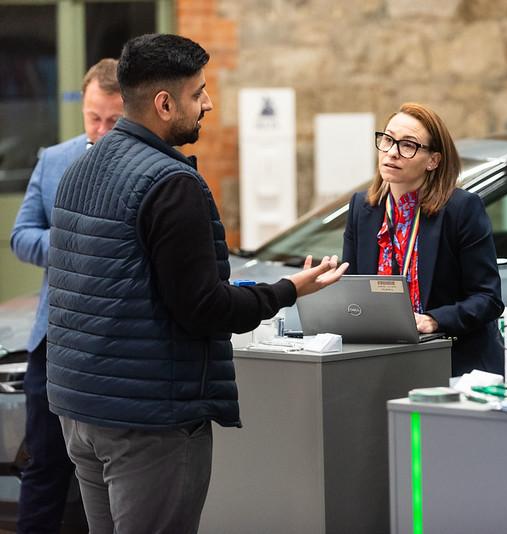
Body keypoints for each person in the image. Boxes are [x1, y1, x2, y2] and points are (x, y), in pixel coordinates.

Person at [46, 34, 347, 533]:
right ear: (164, 104)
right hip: (149, 418)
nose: (208, 104)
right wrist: (288, 290)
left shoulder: (80, 168)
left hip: (80, 411)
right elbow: (202, 306)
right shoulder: (171, 183)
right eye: (198, 93)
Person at [10, 58, 123, 533]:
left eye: (113, 120)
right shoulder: (54, 160)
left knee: (106, 474)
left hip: (116, 343)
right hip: (53, 340)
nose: (100, 129)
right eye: (93, 117)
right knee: (44, 464)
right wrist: (73, 241)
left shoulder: (152, 168)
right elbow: (21, 236)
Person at [343, 102, 503, 376]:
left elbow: (488, 299)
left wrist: (434, 320)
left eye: (408, 145)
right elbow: (352, 291)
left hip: (453, 361)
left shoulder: (461, 209)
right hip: (383, 359)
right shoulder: (363, 208)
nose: (392, 153)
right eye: (388, 140)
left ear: (433, 160)